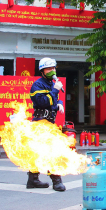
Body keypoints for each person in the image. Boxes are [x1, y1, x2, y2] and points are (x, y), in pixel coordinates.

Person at [27, 57, 66, 191]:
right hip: (40, 124)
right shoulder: (37, 85)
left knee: (37, 153)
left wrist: (59, 104)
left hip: (49, 123)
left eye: (53, 68)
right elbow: (43, 102)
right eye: (49, 68)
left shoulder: (52, 84)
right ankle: (56, 181)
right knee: (51, 151)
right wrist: (55, 90)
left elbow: (55, 100)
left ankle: (32, 180)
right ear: (42, 71)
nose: (52, 71)